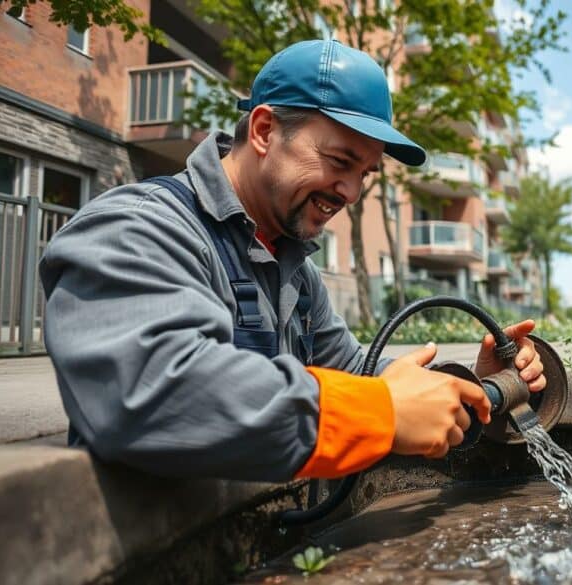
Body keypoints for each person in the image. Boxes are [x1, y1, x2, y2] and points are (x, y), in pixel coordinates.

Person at [38, 39, 546, 482]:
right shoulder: (136, 228)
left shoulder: (294, 267)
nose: (350, 192)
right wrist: (380, 413)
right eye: (340, 161)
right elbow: (151, 393)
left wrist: (471, 388)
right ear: (263, 131)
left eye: (365, 173)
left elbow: (355, 375)